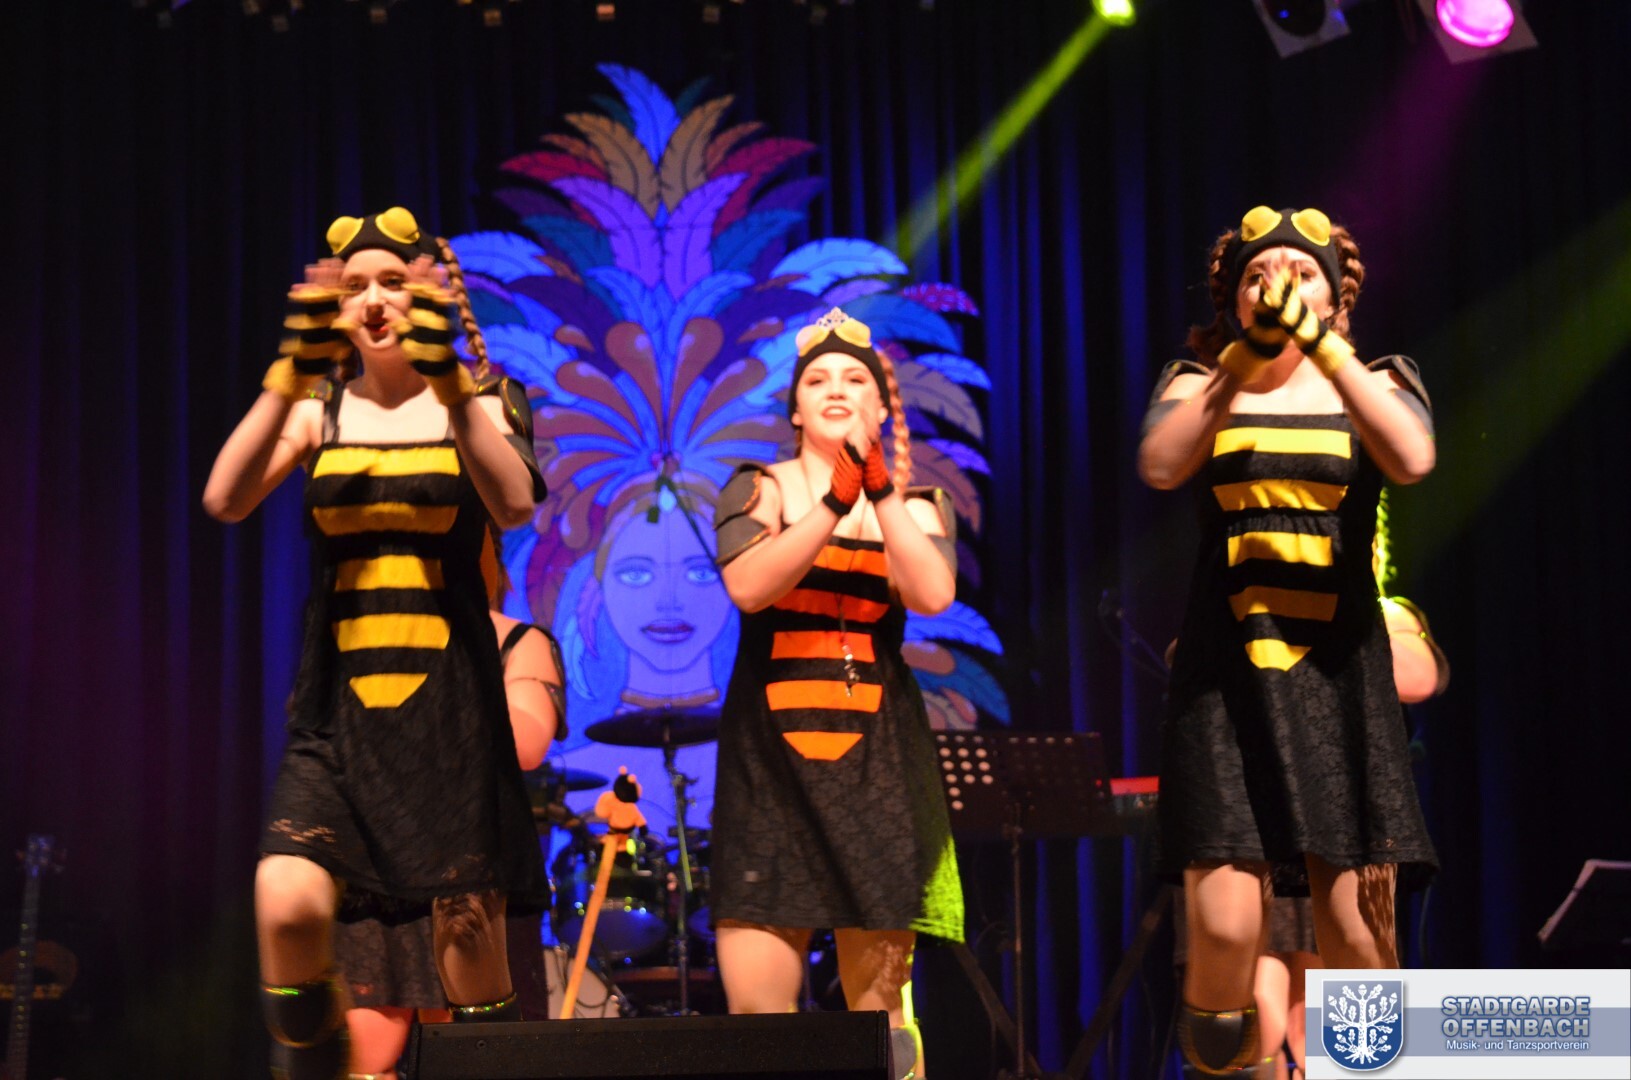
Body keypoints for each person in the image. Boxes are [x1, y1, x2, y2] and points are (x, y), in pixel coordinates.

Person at [203, 207, 549, 1078]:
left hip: (449, 714)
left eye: (392, 281)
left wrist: (453, 390)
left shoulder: (484, 401)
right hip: (340, 711)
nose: (374, 299)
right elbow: (224, 499)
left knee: (466, 942)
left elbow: (513, 504)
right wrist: (285, 378)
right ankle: (318, 1060)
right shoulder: (317, 408)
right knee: (284, 900)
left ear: (430, 294)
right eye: (354, 286)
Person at [1138, 207, 1438, 1076]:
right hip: (1224, 683)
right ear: (1233, 300)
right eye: (1256, 275)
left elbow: (1411, 457)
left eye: (1301, 273)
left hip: (1339, 685)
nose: (1277, 285)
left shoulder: (1378, 378)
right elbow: (1161, 463)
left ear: (1336, 295)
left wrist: (1320, 347)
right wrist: (1243, 360)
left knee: (1356, 940)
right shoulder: (1197, 382)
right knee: (1227, 930)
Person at [709, 308, 964, 1079]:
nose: (835, 389)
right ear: (793, 408)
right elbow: (749, 586)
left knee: (883, 1026)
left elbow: (932, 593)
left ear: (880, 408)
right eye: (816, 379)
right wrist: (829, 504)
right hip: (770, 769)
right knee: (760, 1024)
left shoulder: (915, 506)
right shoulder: (758, 487)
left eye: (855, 379)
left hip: (876, 771)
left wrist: (876, 492)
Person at [341, 583, 566, 1080]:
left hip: (475, 865)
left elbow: (528, 743)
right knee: (366, 1058)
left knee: (480, 1050)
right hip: (380, 863)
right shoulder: (367, 630)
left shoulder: (517, 640)